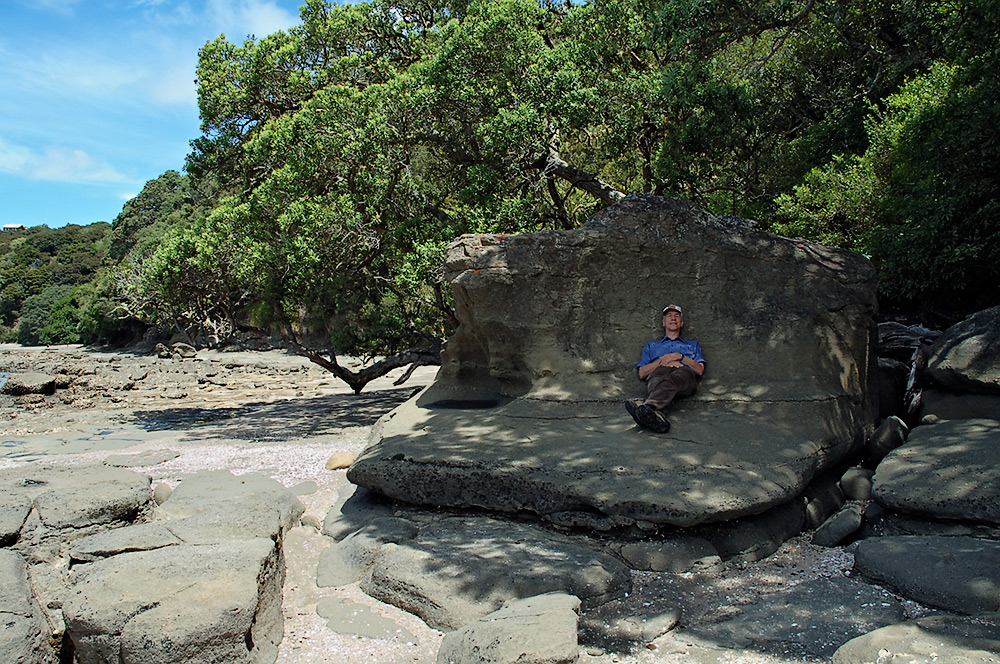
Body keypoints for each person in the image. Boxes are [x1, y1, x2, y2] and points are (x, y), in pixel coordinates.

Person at [625, 304, 705, 433]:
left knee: (670, 379)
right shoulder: (651, 346)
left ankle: (647, 407)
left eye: (677, 316)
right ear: (663, 323)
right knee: (656, 380)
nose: (673, 318)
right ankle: (658, 417)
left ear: (682, 322)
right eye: (669, 316)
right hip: (658, 374)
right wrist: (662, 361)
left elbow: (699, 370)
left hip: (684, 376)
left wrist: (680, 356)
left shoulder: (692, 345)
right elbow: (642, 373)